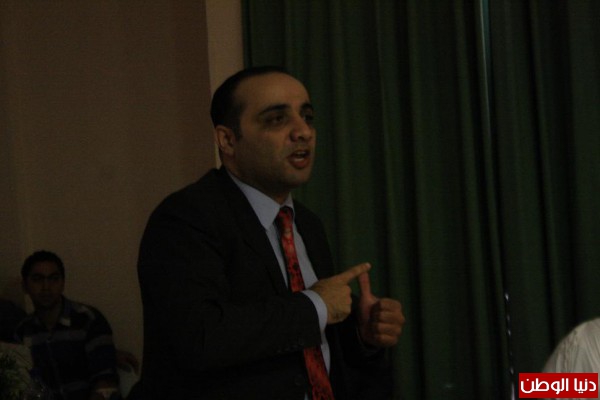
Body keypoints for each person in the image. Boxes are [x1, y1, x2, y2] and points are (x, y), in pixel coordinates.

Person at [136, 66, 405, 400]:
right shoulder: (185, 218)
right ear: (228, 140)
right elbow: (201, 338)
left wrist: (361, 337)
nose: (303, 132)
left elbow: (305, 346)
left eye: (307, 117)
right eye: (277, 119)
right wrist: (317, 305)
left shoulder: (306, 223)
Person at [14, 250, 121, 400]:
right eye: (37, 279)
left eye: (54, 279)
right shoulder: (22, 332)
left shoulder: (88, 319)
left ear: (63, 283)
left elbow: (105, 380)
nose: (46, 287)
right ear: (25, 286)